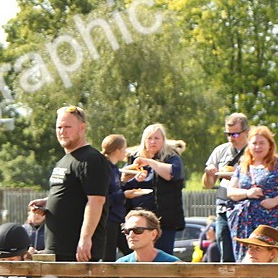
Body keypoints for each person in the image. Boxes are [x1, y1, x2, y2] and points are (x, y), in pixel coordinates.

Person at [32, 105, 108, 263]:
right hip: (56, 250)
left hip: (78, 253)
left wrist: (85, 239)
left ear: (82, 128)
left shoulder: (91, 159)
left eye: (67, 127)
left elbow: (96, 201)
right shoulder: (64, 160)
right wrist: (47, 203)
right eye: (59, 127)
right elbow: (72, 194)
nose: (62, 131)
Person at [225, 126, 278, 261]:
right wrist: (247, 193)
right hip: (244, 220)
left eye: (262, 143)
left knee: (268, 254)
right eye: (254, 143)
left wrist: (275, 201)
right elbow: (230, 191)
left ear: (270, 145)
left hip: (270, 220)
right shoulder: (243, 165)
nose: (257, 147)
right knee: (245, 257)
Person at [123, 124, 186, 254]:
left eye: (157, 138)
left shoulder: (171, 157)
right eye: (149, 138)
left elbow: (173, 174)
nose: (152, 141)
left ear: (163, 140)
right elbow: (122, 183)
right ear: (144, 141)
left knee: (162, 258)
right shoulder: (134, 159)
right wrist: (133, 178)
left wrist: (150, 162)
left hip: (164, 221)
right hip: (136, 221)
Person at [203, 112, 251, 273]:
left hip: (247, 208)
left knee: (248, 254)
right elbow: (208, 184)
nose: (231, 138)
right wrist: (209, 174)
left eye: (236, 134)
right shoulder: (221, 151)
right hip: (224, 207)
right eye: (228, 134)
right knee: (226, 255)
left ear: (246, 132)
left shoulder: (254, 150)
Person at [101, 134, 129, 260]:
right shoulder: (104, 168)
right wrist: (124, 195)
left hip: (117, 219)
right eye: (124, 148)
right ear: (117, 150)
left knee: (130, 251)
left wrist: (129, 183)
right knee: (108, 257)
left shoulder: (114, 168)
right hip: (108, 219)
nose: (126, 152)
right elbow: (104, 197)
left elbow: (117, 189)